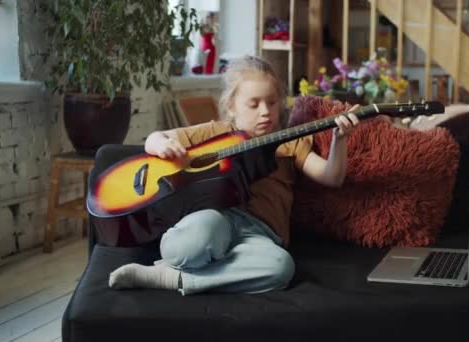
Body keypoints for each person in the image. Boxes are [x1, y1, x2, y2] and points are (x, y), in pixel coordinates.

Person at [108, 55, 361, 295]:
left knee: (281, 267)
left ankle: (170, 277)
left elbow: (332, 177)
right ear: (231, 106)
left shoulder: (289, 143)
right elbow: (155, 138)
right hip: (216, 219)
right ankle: (196, 264)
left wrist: (340, 139)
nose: (265, 112)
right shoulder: (215, 132)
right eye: (254, 104)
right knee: (192, 241)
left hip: (259, 238)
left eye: (272, 102)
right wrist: (159, 145)